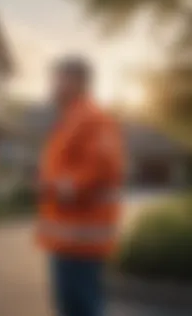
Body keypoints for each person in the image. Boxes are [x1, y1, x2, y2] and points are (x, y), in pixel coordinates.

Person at [36, 56, 125, 316]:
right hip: (69, 239)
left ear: (76, 81)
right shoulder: (71, 120)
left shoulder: (92, 119)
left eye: (57, 79)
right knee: (73, 307)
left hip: (81, 239)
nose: (51, 86)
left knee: (83, 307)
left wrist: (54, 187)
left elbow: (102, 170)